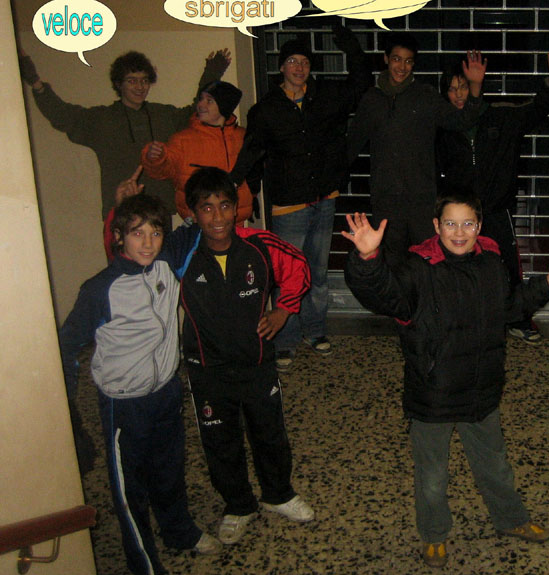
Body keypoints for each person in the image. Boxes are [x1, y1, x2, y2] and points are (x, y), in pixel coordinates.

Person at [342, 193, 549, 568]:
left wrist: (543, 287)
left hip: (481, 389)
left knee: (495, 465)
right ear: (436, 226)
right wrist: (367, 259)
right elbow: (385, 295)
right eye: (450, 223)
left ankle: (511, 519)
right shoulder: (419, 268)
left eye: (467, 224)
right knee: (432, 475)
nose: (459, 232)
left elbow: (508, 307)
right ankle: (434, 534)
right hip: (433, 393)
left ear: (479, 226)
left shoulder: (491, 262)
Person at [59, 193, 221, 575]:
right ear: (118, 237)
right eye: (137, 233)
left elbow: (196, 220)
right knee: (129, 489)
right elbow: (66, 345)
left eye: (155, 232)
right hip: (124, 404)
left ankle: (179, 531)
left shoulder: (166, 263)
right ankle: (143, 562)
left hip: (165, 391)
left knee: (169, 471)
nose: (148, 243)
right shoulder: (100, 290)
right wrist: (66, 410)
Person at [176, 167, 314, 545]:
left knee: (270, 433)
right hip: (207, 369)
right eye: (207, 208)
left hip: (257, 363)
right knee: (220, 441)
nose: (218, 217)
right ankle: (238, 504)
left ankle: (278, 494)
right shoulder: (181, 252)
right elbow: (132, 254)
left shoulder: (260, 245)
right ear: (193, 212)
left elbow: (299, 267)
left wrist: (284, 310)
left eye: (225, 206)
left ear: (237, 207)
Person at [230, 23, 370, 362]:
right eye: (292, 61)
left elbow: (361, 83)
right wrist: (237, 186)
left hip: (324, 199)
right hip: (288, 207)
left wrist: (348, 43)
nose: (299, 67)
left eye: (304, 62)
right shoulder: (266, 110)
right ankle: (286, 338)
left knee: (317, 274)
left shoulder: (325, 97)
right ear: (282, 67)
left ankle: (315, 330)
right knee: (287, 274)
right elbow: (252, 152)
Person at [436, 49, 549, 343]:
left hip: (497, 210)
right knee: (458, 266)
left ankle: (518, 319)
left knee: (508, 267)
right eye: (452, 89)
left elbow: (537, 109)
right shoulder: (443, 127)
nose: (458, 94)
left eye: (463, 87)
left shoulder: (500, 115)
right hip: (460, 215)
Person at [19, 48, 230, 219]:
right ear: (119, 84)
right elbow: (63, 115)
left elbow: (196, 112)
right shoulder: (102, 120)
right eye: (132, 80)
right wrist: (36, 82)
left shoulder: (164, 115)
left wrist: (211, 75)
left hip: (160, 214)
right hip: (121, 213)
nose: (139, 87)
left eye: (144, 80)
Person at [347, 33, 486, 267]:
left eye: (408, 61)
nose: (402, 67)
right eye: (396, 59)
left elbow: (460, 121)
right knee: (391, 264)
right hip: (386, 200)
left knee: (429, 260)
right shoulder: (372, 99)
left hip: (422, 200)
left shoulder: (425, 96)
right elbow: (351, 145)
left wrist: (475, 87)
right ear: (386, 59)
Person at [141, 80, 253, 222]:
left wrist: (253, 194)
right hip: (198, 221)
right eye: (201, 99)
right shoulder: (182, 140)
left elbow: (255, 171)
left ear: (224, 106)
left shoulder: (243, 137)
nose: (201, 105)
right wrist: (156, 158)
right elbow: (164, 170)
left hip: (236, 220)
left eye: (209, 101)